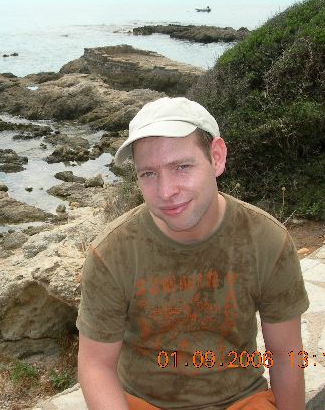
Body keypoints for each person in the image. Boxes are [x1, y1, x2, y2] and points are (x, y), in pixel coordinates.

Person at [77, 97, 309, 410]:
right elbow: (96, 365)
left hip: (240, 400)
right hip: (144, 402)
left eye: (182, 167)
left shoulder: (266, 241)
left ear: (217, 157)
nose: (166, 192)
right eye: (148, 173)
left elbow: (285, 355)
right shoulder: (113, 253)